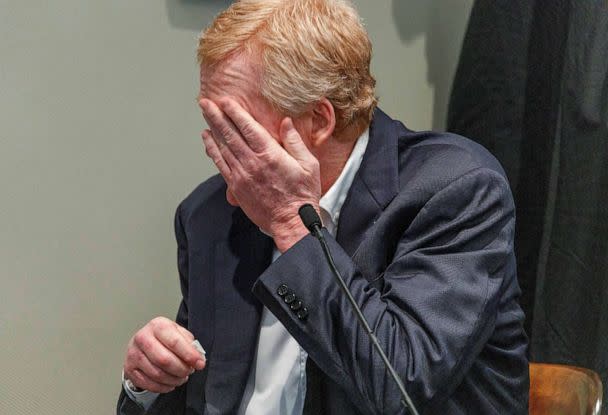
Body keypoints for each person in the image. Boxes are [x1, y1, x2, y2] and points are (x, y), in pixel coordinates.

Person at [116, 0, 529, 414]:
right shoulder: (208, 215)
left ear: (318, 120)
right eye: (213, 125)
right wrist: (147, 384)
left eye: (235, 126)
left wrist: (290, 225)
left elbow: (400, 387)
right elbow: (201, 397)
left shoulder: (455, 190)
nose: (219, 151)